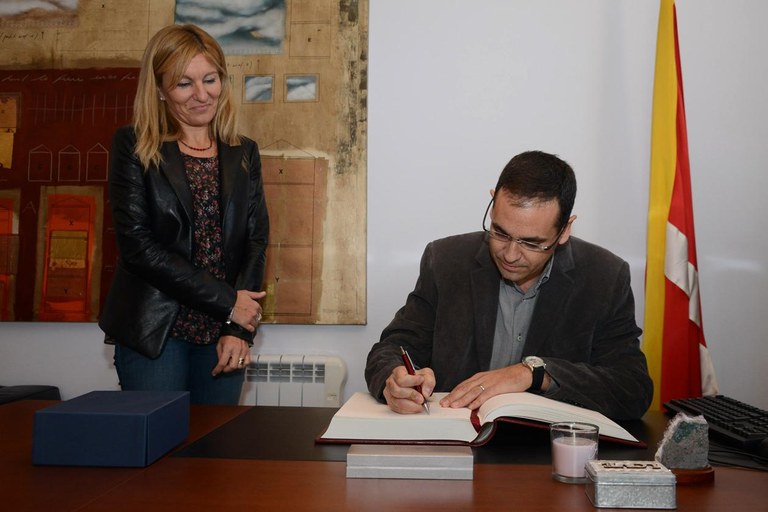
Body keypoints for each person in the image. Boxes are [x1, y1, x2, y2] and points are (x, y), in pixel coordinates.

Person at [365, 150, 653, 420]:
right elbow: (391, 348)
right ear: (493, 205)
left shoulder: (604, 276)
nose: (510, 254)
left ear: (564, 230)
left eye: (531, 243)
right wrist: (394, 378)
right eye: (500, 233)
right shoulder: (445, 261)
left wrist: (535, 374)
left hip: (546, 455)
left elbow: (632, 388)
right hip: (456, 443)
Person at [99, 24, 269, 405]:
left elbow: (255, 242)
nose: (201, 95)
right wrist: (228, 301)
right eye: (183, 84)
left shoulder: (244, 152)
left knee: (217, 453)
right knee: (157, 454)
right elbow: (138, 248)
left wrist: (238, 328)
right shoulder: (133, 145)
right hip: (156, 328)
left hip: (224, 331)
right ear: (159, 89)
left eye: (210, 79)